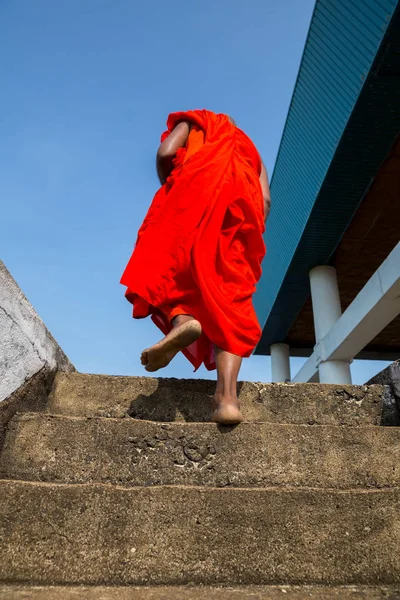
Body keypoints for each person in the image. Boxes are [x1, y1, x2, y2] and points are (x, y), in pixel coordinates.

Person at [120, 109, 270, 425]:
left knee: (172, 273)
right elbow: (265, 201)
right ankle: (227, 400)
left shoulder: (196, 122)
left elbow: (166, 153)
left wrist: (174, 187)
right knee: (229, 302)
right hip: (236, 222)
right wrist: (245, 231)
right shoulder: (251, 152)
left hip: (191, 201)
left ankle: (183, 320)